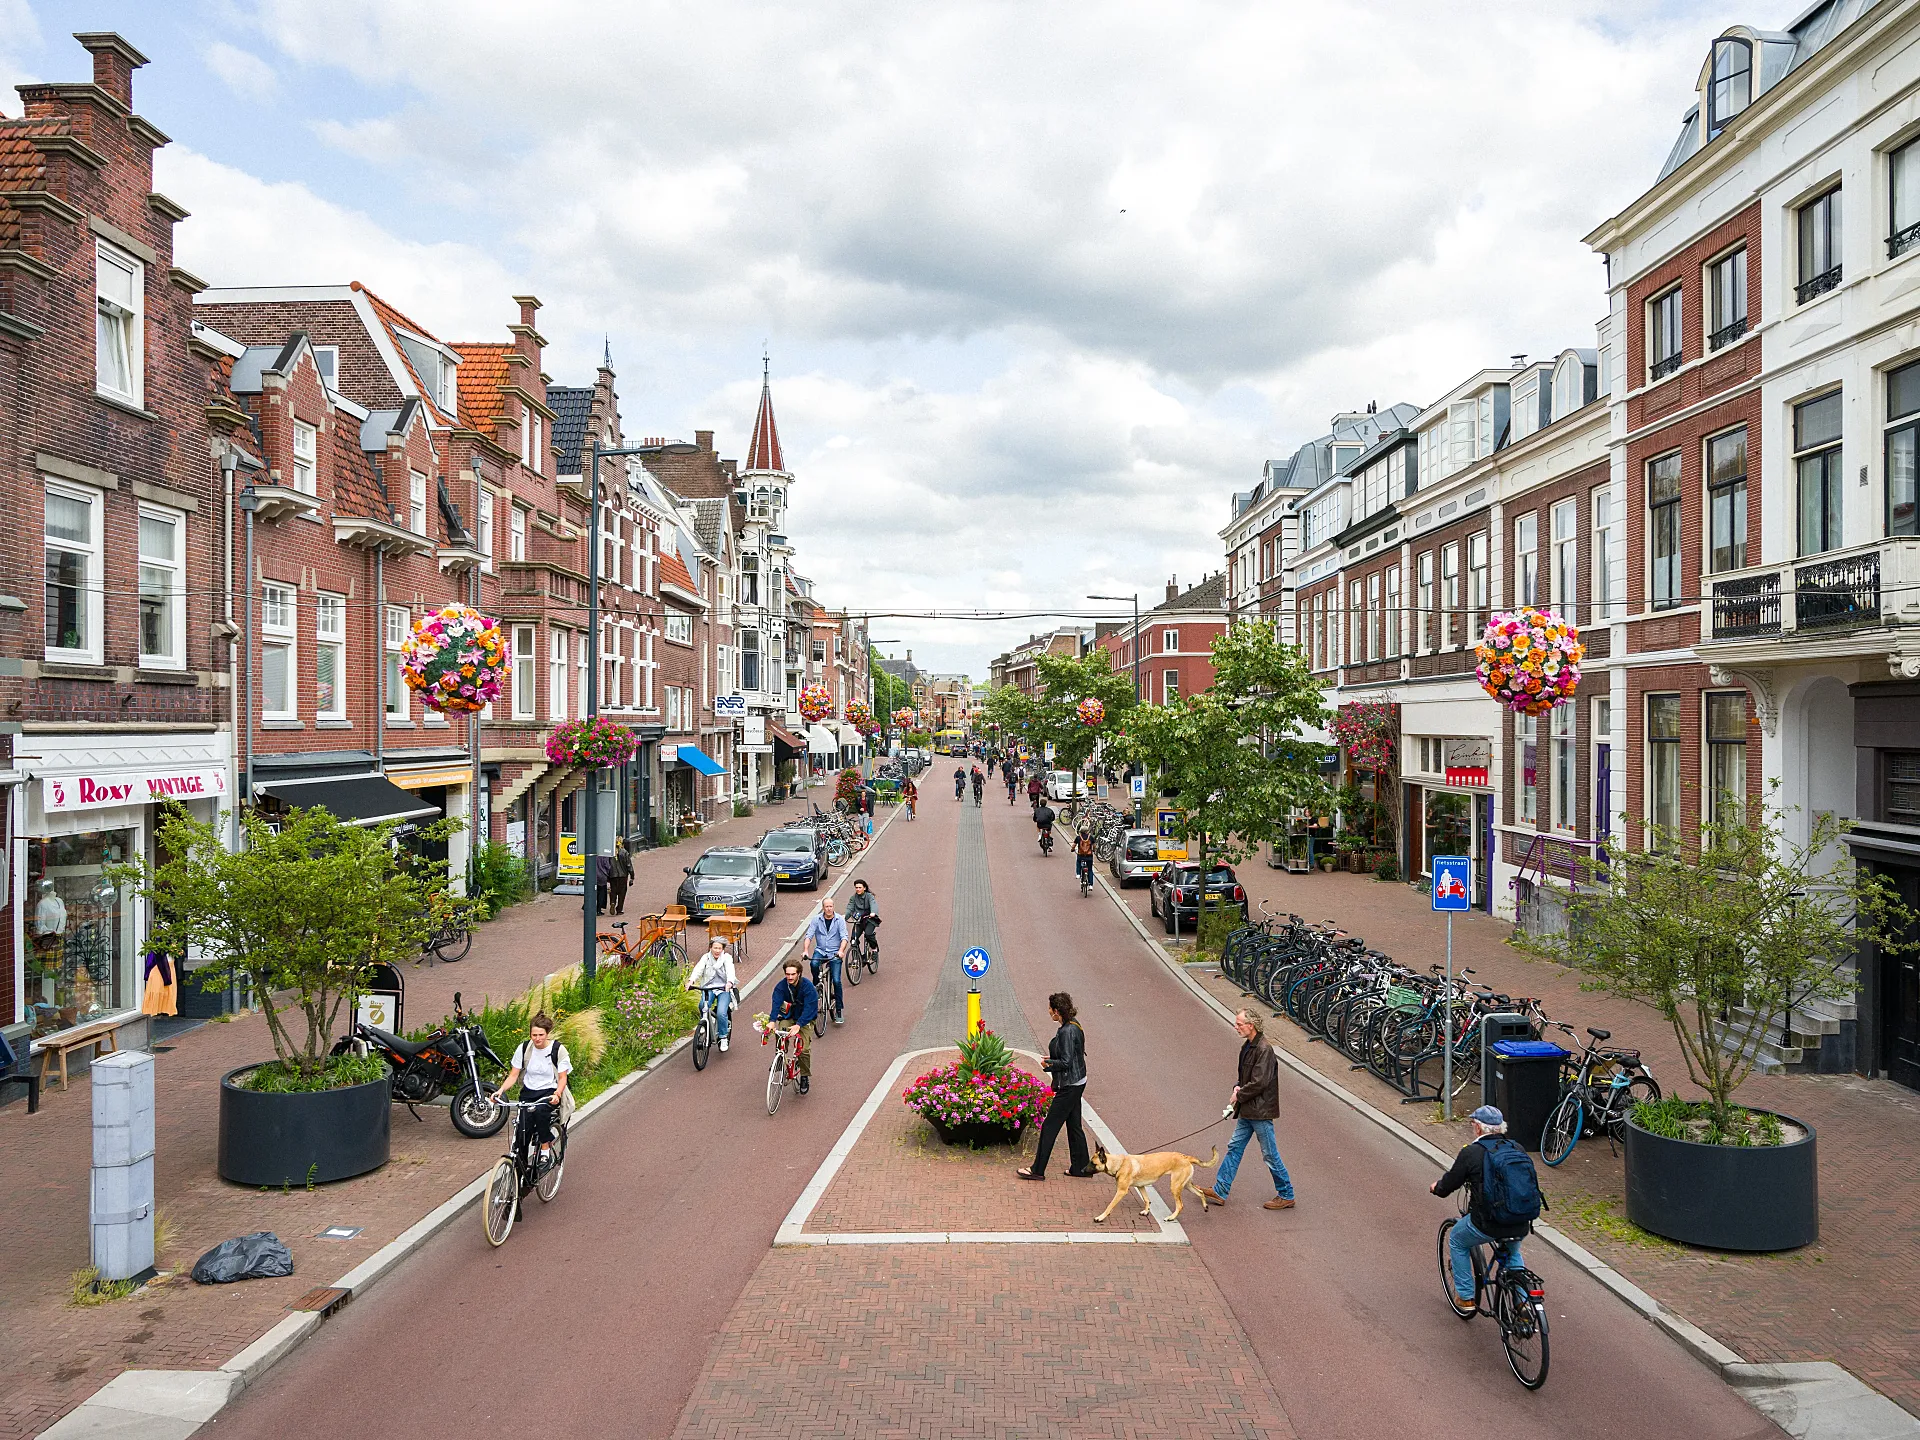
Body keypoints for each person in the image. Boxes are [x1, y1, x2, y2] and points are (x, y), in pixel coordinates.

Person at [1432, 1105, 1535, 1316]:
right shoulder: (1517, 1148)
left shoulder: (1471, 1153)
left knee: (1457, 1240)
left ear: (1478, 1128)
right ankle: (1522, 1302)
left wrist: (1437, 1188)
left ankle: (1466, 1297)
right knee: (1512, 1251)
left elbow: (1449, 1184)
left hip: (1488, 1223)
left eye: (1472, 1125)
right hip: (1520, 1221)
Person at [1200, 1009, 1296, 1210]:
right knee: (1235, 1147)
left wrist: (1239, 1094)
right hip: (1249, 1110)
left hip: (1259, 1112)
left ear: (1251, 1025)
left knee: (1270, 1154)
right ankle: (1220, 1189)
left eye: (1239, 1024)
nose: (1236, 1027)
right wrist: (1238, 1085)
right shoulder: (1250, 1046)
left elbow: (1259, 1082)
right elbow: (1248, 1077)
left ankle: (1286, 1194)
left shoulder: (1263, 1049)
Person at [1017, 992, 1094, 1179]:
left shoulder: (1067, 1031)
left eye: (1050, 1009)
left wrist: (1049, 1064)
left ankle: (1037, 1170)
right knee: (1074, 1124)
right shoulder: (1074, 1024)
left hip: (1069, 1085)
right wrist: (1053, 1059)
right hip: (1078, 1081)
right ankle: (1081, 1167)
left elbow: (1066, 1062)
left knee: (1049, 1126)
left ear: (1057, 1011)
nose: (1049, 1011)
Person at [493, 1011, 571, 1165]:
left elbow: (563, 1077)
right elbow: (513, 1075)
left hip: (549, 1092)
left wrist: (558, 1093)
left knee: (541, 1112)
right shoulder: (524, 1048)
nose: (537, 1039)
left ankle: (544, 1149)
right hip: (528, 1093)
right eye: (534, 1035)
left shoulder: (557, 1049)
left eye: (541, 1035)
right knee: (522, 1131)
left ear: (547, 1033)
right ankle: (519, 1172)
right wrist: (500, 1091)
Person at [768, 959, 818, 1094]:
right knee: (780, 1035)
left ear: (799, 974)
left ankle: (805, 1076)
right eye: (787, 974)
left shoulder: (808, 987)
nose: (790, 977)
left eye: (793, 974)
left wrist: (799, 1025)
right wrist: (772, 1020)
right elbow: (776, 1003)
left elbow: (809, 1008)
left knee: (804, 1049)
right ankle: (780, 1061)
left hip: (805, 1019)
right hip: (788, 1017)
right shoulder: (781, 987)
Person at [685, 936, 738, 1051]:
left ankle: (723, 1037)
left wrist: (729, 983)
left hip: (723, 989)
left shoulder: (727, 958)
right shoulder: (706, 958)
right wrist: (691, 981)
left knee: (721, 1013)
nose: (717, 951)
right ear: (710, 948)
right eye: (715, 948)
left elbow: (730, 971)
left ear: (723, 949)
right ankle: (706, 1022)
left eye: (719, 948)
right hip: (709, 988)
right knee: (702, 1006)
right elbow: (698, 969)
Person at [803, 896, 850, 1026]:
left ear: (833, 907)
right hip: (821, 950)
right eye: (826, 906)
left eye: (831, 906)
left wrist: (841, 951)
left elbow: (844, 937)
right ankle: (817, 986)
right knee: (813, 963)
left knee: (836, 980)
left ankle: (839, 1010)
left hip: (835, 953)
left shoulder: (839, 919)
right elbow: (809, 935)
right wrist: (806, 950)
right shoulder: (816, 920)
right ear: (823, 908)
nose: (829, 909)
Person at [845, 878, 879, 960]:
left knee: (868, 934)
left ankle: (874, 949)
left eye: (860, 887)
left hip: (869, 919)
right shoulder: (853, 898)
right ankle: (858, 958)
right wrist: (844, 917)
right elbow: (849, 908)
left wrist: (873, 912)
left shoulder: (869, 896)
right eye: (856, 887)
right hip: (859, 921)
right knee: (853, 939)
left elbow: (873, 904)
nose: (858, 889)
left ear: (864, 888)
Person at [608, 837, 634, 915]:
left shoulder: (611, 852)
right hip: (623, 875)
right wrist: (632, 876)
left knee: (613, 890)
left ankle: (612, 902)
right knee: (622, 892)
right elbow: (629, 865)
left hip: (613, 875)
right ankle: (619, 909)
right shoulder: (624, 852)